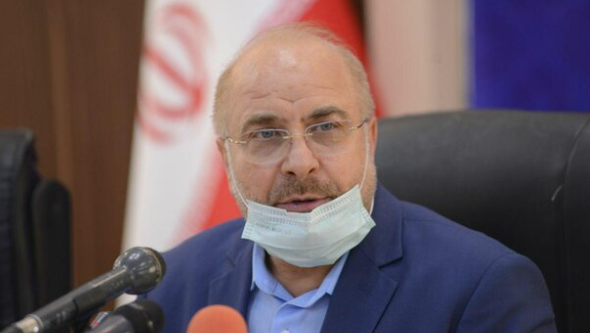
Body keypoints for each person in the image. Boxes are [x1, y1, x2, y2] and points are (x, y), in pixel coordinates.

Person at [144, 24, 556, 332]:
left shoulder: (483, 287)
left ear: (370, 139)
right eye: (266, 135)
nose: (300, 162)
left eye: (326, 127)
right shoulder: (170, 285)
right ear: (227, 157)